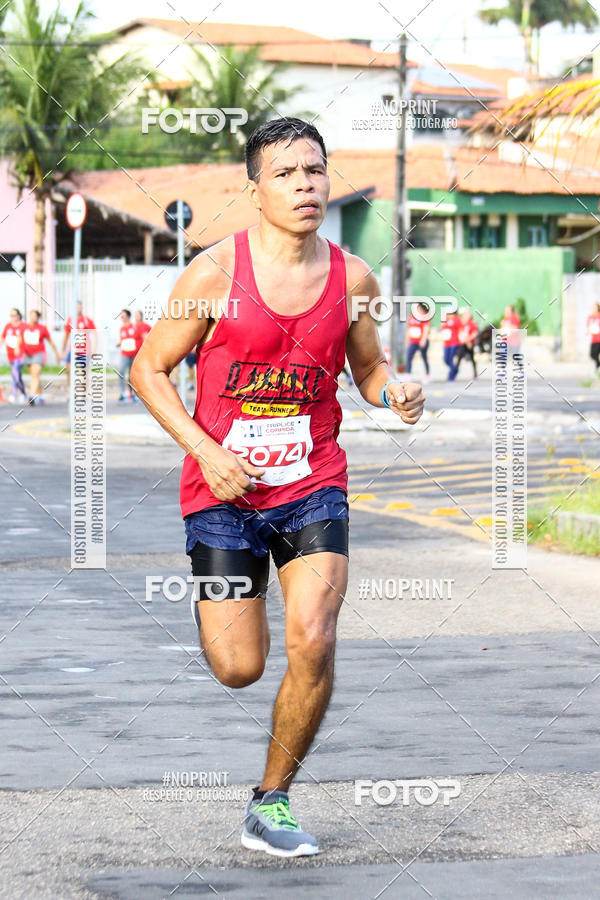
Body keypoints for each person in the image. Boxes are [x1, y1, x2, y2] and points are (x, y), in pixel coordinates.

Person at [131, 117, 425, 858]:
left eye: (315, 171)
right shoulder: (213, 274)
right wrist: (205, 448)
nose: (305, 185)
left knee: (315, 640)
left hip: (312, 485)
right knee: (240, 667)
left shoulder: (351, 277)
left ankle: (272, 802)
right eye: (287, 173)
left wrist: (396, 394)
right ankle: (232, 595)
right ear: (255, 187)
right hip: (224, 493)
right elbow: (147, 370)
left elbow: (367, 371)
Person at [21, 309, 60, 405]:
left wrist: (56, 354)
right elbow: (20, 338)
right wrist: (18, 348)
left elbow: (50, 341)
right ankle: (41, 396)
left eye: (35, 316)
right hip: (27, 354)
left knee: (35, 374)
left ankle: (31, 396)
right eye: (31, 316)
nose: (33, 318)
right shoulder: (24, 327)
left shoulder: (42, 328)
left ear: (38, 318)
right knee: (34, 376)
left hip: (38, 354)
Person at [61, 301, 96, 386]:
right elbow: (66, 335)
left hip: (85, 350)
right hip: (73, 350)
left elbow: (95, 335)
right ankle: (70, 391)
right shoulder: (71, 320)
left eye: (80, 307)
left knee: (84, 372)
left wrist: (94, 349)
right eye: (76, 307)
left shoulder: (87, 320)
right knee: (69, 370)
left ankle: (84, 394)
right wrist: (63, 350)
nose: (78, 308)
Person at [1, 308, 27, 403]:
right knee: (18, 377)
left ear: (19, 316)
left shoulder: (23, 326)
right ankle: (24, 394)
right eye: (11, 315)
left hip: (20, 355)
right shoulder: (8, 326)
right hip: (10, 355)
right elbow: (3, 337)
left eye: (14, 315)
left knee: (14, 373)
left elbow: (23, 338)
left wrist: (18, 347)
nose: (13, 317)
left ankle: (13, 394)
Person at [117, 309, 138, 402]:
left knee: (132, 375)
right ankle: (122, 393)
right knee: (121, 371)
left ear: (128, 317)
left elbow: (142, 337)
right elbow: (123, 340)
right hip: (124, 353)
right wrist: (119, 343)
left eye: (123, 316)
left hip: (134, 354)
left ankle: (133, 393)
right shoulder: (121, 329)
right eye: (121, 316)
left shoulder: (134, 327)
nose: (122, 318)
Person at [405, 301, 430, 381]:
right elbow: (409, 329)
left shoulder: (424, 317)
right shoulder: (412, 317)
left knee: (424, 357)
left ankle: (427, 375)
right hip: (413, 341)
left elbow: (426, 329)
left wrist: (423, 340)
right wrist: (407, 340)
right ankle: (408, 374)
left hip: (421, 341)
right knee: (409, 357)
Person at [454, 308, 479, 379]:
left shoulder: (472, 323)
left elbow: (475, 333)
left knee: (472, 358)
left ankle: (475, 374)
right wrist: (465, 340)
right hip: (463, 343)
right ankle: (454, 373)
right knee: (459, 358)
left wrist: (468, 340)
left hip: (470, 344)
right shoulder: (461, 323)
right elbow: (460, 332)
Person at [441, 309, 462, 381]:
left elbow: (461, 329)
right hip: (447, 342)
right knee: (446, 359)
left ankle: (451, 376)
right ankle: (455, 370)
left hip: (454, 342)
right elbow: (443, 329)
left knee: (450, 358)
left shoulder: (457, 319)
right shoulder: (445, 319)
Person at [587, 301, 600, 373]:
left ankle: (597, 368)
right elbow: (588, 326)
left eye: (595, 307)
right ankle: (598, 365)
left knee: (597, 354)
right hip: (594, 339)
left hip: (599, 338)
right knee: (592, 355)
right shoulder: (590, 317)